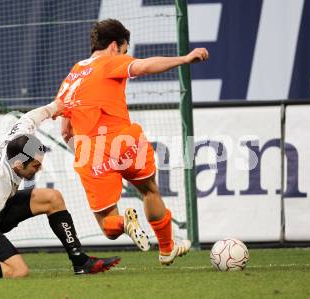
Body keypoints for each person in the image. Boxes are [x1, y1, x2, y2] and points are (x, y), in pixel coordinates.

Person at [55, 19, 209, 265]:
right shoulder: (111, 61)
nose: (126, 54)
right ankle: (166, 248)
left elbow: (65, 130)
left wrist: (84, 154)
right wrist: (183, 59)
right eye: (126, 49)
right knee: (150, 191)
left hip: (91, 149)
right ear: (116, 46)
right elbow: (144, 67)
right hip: (126, 141)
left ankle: (125, 223)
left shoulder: (72, 75)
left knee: (109, 226)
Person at [0, 101, 120, 281]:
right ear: (18, 165)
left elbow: (30, 117)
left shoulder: (18, 138)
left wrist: (57, 106)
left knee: (53, 198)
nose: (39, 169)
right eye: (35, 166)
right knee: (18, 271)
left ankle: (81, 262)